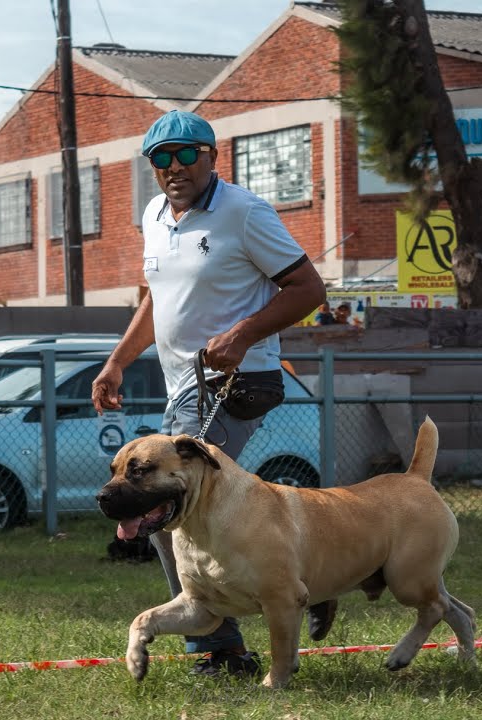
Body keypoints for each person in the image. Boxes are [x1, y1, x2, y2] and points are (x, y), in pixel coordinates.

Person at [91, 109, 327, 678]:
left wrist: (244, 334)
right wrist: (118, 361)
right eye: (162, 158)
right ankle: (309, 580)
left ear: (212, 157)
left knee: (165, 503)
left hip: (236, 383)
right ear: (152, 167)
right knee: (191, 512)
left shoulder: (245, 213)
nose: (175, 167)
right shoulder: (153, 215)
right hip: (181, 389)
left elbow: (308, 287)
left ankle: (221, 645)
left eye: (187, 154)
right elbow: (156, 300)